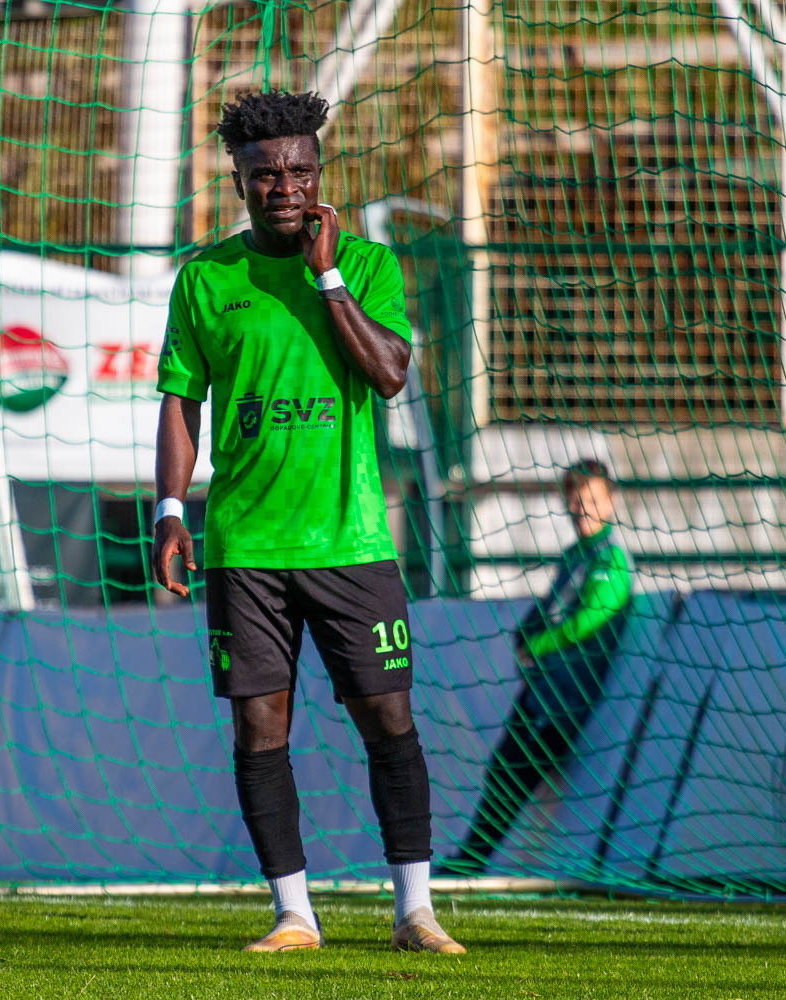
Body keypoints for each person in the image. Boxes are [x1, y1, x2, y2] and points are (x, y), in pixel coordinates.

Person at [151, 90, 464, 955]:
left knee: (387, 719)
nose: (283, 187)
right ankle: (293, 915)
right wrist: (171, 511)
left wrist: (326, 279)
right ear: (238, 180)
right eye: (265, 174)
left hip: (349, 543)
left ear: (319, 174)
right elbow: (180, 400)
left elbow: (390, 374)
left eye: (298, 171)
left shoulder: (365, 265)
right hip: (246, 547)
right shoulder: (206, 279)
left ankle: (415, 913)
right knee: (259, 729)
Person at [445, 459, 635, 873]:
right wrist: (525, 634)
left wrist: (538, 645)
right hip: (544, 692)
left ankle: (473, 862)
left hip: (568, 700)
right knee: (502, 769)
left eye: (592, 500)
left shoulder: (610, 560)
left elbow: (588, 620)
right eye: (576, 499)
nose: (582, 509)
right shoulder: (575, 555)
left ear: (610, 503)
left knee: (515, 771)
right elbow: (550, 608)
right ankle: (470, 859)